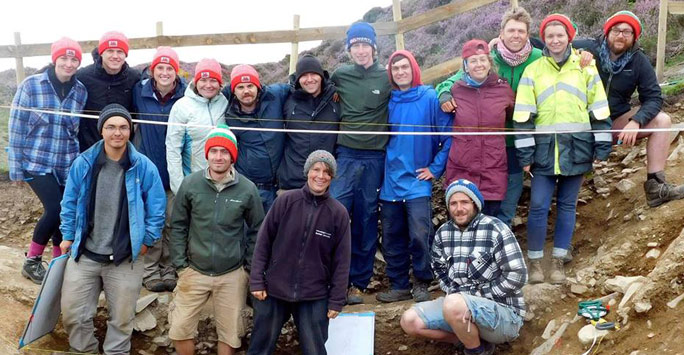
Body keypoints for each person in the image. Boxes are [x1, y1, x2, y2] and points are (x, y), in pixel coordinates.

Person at [59, 104, 166, 354]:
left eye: (123, 127)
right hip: (85, 254)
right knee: (74, 315)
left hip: (125, 258)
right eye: (110, 127)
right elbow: (69, 201)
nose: (117, 132)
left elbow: (157, 208)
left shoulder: (144, 167)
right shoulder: (83, 163)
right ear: (101, 131)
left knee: (121, 321)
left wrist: (146, 241)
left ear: (130, 130)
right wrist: (66, 235)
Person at [513, 14, 612, 284]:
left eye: (560, 35)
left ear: (570, 36)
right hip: (543, 152)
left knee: (567, 206)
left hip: (577, 149)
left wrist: (602, 146)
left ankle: (557, 262)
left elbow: (599, 109)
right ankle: (534, 264)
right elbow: (523, 116)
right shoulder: (532, 71)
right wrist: (525, 155)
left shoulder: (585, 67)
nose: (555, 40)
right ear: (543, 39)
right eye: (550, 36)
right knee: (538, 206)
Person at [435, 7, 542, 226]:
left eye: (521, 31)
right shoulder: (489, 56)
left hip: (512, 143)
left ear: (528, 33)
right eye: (511, 30)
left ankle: (502, 243)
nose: (516, 35)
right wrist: (444, 92)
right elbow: (453, 81)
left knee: (506, 201)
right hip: (486, 148)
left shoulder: (538, 59)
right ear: (501, 33)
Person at [400, 179, 527, 355]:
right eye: (453, 203)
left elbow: (518, 275)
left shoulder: (496, 229)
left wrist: (475, 297)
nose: (459, 208)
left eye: (464, 202)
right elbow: (439, 268)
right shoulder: (443, 233)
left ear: (475, 204)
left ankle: (475, 352)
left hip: (503, 314)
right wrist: (456, 296)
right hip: (459, 309)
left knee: (453, 303)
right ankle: (472, 343)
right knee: (410, 321)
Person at [169, 126, 265, 355]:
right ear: (207, 154)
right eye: (214, 151)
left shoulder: (247, 189)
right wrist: (181, 265)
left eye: (225, 152)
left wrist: (248, 267)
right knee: (179, 330)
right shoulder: (190, 184)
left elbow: (258, 228)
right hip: (194, 271)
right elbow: (178, 225)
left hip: (231, 273)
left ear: (233, 156)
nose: (219, 157)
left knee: (231, 334)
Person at [574, 11, 684, 207]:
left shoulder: (638, 60)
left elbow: (653, 97)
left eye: (627, 32)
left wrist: (637, 120)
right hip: (579, 124)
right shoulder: (587, 48)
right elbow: (548, 46)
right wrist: (500, 43)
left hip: (615, 122)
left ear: (634, 37)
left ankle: (656, 186)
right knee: (572, 185)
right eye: (617, 30)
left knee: (663, 120)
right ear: (607, 32)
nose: (621, 35)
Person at [248, 150, 351, 355]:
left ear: (332, 177)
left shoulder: (338, 213)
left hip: (314, 294)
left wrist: (336, 299)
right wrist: (257, 280)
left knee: (314, 350)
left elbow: (342, 260)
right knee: (259, 348)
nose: (320, 176)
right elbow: (263, 242)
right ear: (307, 172)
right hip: (274, 290)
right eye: (316, 169)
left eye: (326, 172)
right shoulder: (286, 201)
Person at [8, 37, 88, 284]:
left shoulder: (80, 91)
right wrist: (16, 167)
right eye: (64, 58)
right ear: (55, 59)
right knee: (55, 208)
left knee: (64, 213)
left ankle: (57, 263)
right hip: (36, 161)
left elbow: (75, 130)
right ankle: (32, 261)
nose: (69, 63)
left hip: (66, 163)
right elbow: (16, 126)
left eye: (74, 59)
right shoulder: (32, 86)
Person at [375, 50, 451, 303]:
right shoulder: (388, 100)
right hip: (389, 183)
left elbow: (448, 136)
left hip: (418, 183)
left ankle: (422, 282)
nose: (400, 72)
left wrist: (435, 168)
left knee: (420, 234)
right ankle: (399, 285)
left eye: (404, 67)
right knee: (392, 236)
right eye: (395, 68)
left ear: (414, 69)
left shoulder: (429, 97)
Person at [330, 21, 392, 305]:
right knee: (334, 214)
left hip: (375, 157)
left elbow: (413, 86)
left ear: (374, 47)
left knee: (366, 219)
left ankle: (358, 283)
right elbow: (309, 85)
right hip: (346, 154)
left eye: (365, 44)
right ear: (349, 49)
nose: (361, 50)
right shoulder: (341, 75)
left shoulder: (387, 75)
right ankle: (331, 282)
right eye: (355, 45)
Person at [133, 46, 188, 292]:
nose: (165, 73)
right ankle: (150, 269)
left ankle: (169, 267)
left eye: (170, 68)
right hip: (149, 170)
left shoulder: (186, 96)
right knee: (151, 221)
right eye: (160, 68)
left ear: (176, 72)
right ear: (152, 70)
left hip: (175, 171)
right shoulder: (139, 92)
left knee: (172, 221)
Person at [443, 39, 515, 217]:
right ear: (465, 66)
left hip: (493, 170)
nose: (478, 65)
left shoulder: (503, 89)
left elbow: (515, 118)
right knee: (461, 226)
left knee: (489, 226)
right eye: (473, 61)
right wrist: (443, 94)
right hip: (461, 171)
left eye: (482, 59)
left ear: (490, 63)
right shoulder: (455, 90)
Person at [223, 64, 289, 212]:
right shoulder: (228, 111)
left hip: (278, 187)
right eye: (240, 87)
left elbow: (299, 84)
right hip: (247, 186)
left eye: (250, 86)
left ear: (258, 86)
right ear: (233, 91)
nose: (246, 91)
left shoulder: (275, 95)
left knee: (274, 232)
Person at [278, 55, 341, 192]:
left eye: (314, 74)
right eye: (304, 75)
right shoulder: (287, 99)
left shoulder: (336, 99)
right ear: (298, 78)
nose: (309, 79)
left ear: (321, 76)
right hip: (292, 181)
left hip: (324, 181)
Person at [166, 58, 228, 195]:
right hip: (194, 184)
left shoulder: (225, 102)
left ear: (220, 83)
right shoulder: (182, 106)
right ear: (195, 81)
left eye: (213, 80)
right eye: (203, 80)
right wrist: (180, 188)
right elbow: (173, 150)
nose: (208, 85)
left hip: (224, 184)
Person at [76, 31, 140, 151]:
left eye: (120, 51)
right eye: (110, 51)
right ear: (101, 53)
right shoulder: (83, 76)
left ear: (125, 55)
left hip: (121, 149)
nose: (115, 56)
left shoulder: (134, 78)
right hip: (89, 148)